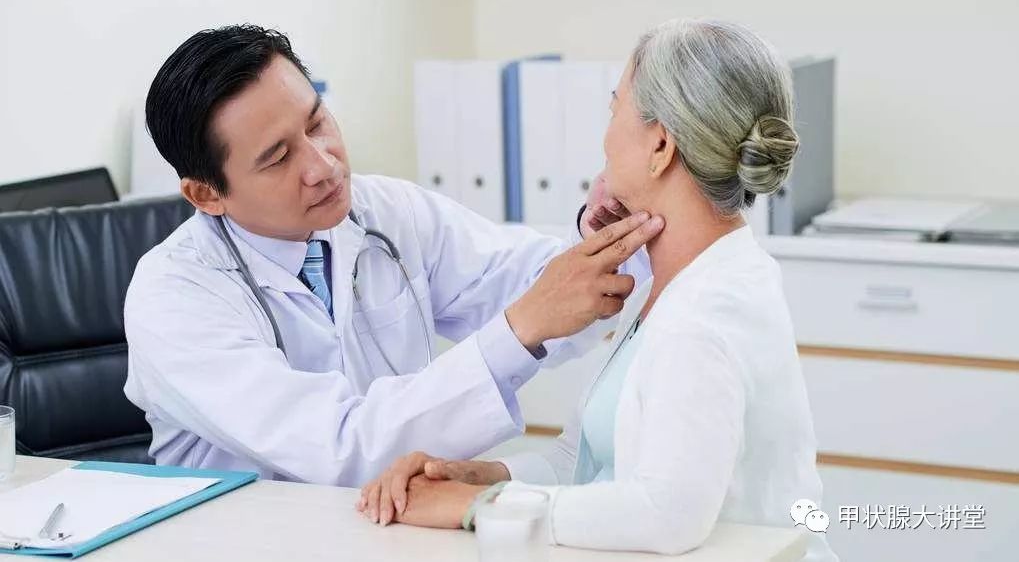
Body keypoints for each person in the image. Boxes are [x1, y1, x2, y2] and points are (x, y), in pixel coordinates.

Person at [360, 19, 838, 561]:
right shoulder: (675, 282)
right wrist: (477, 477)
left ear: (660, 146)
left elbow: (666, 514)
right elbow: (586, 462)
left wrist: (480, 506)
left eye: (615, 110)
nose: (606, 135)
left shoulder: (703, 315)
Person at [123, 25, 660, 486]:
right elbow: (338, 450)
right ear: (206, 194)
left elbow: (530, 286)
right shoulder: (174, 298)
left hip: (393, 522)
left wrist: (601, 240)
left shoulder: (384, 212)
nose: (324, 165)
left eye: (316, 123)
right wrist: (520, 328)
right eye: (280, 157)